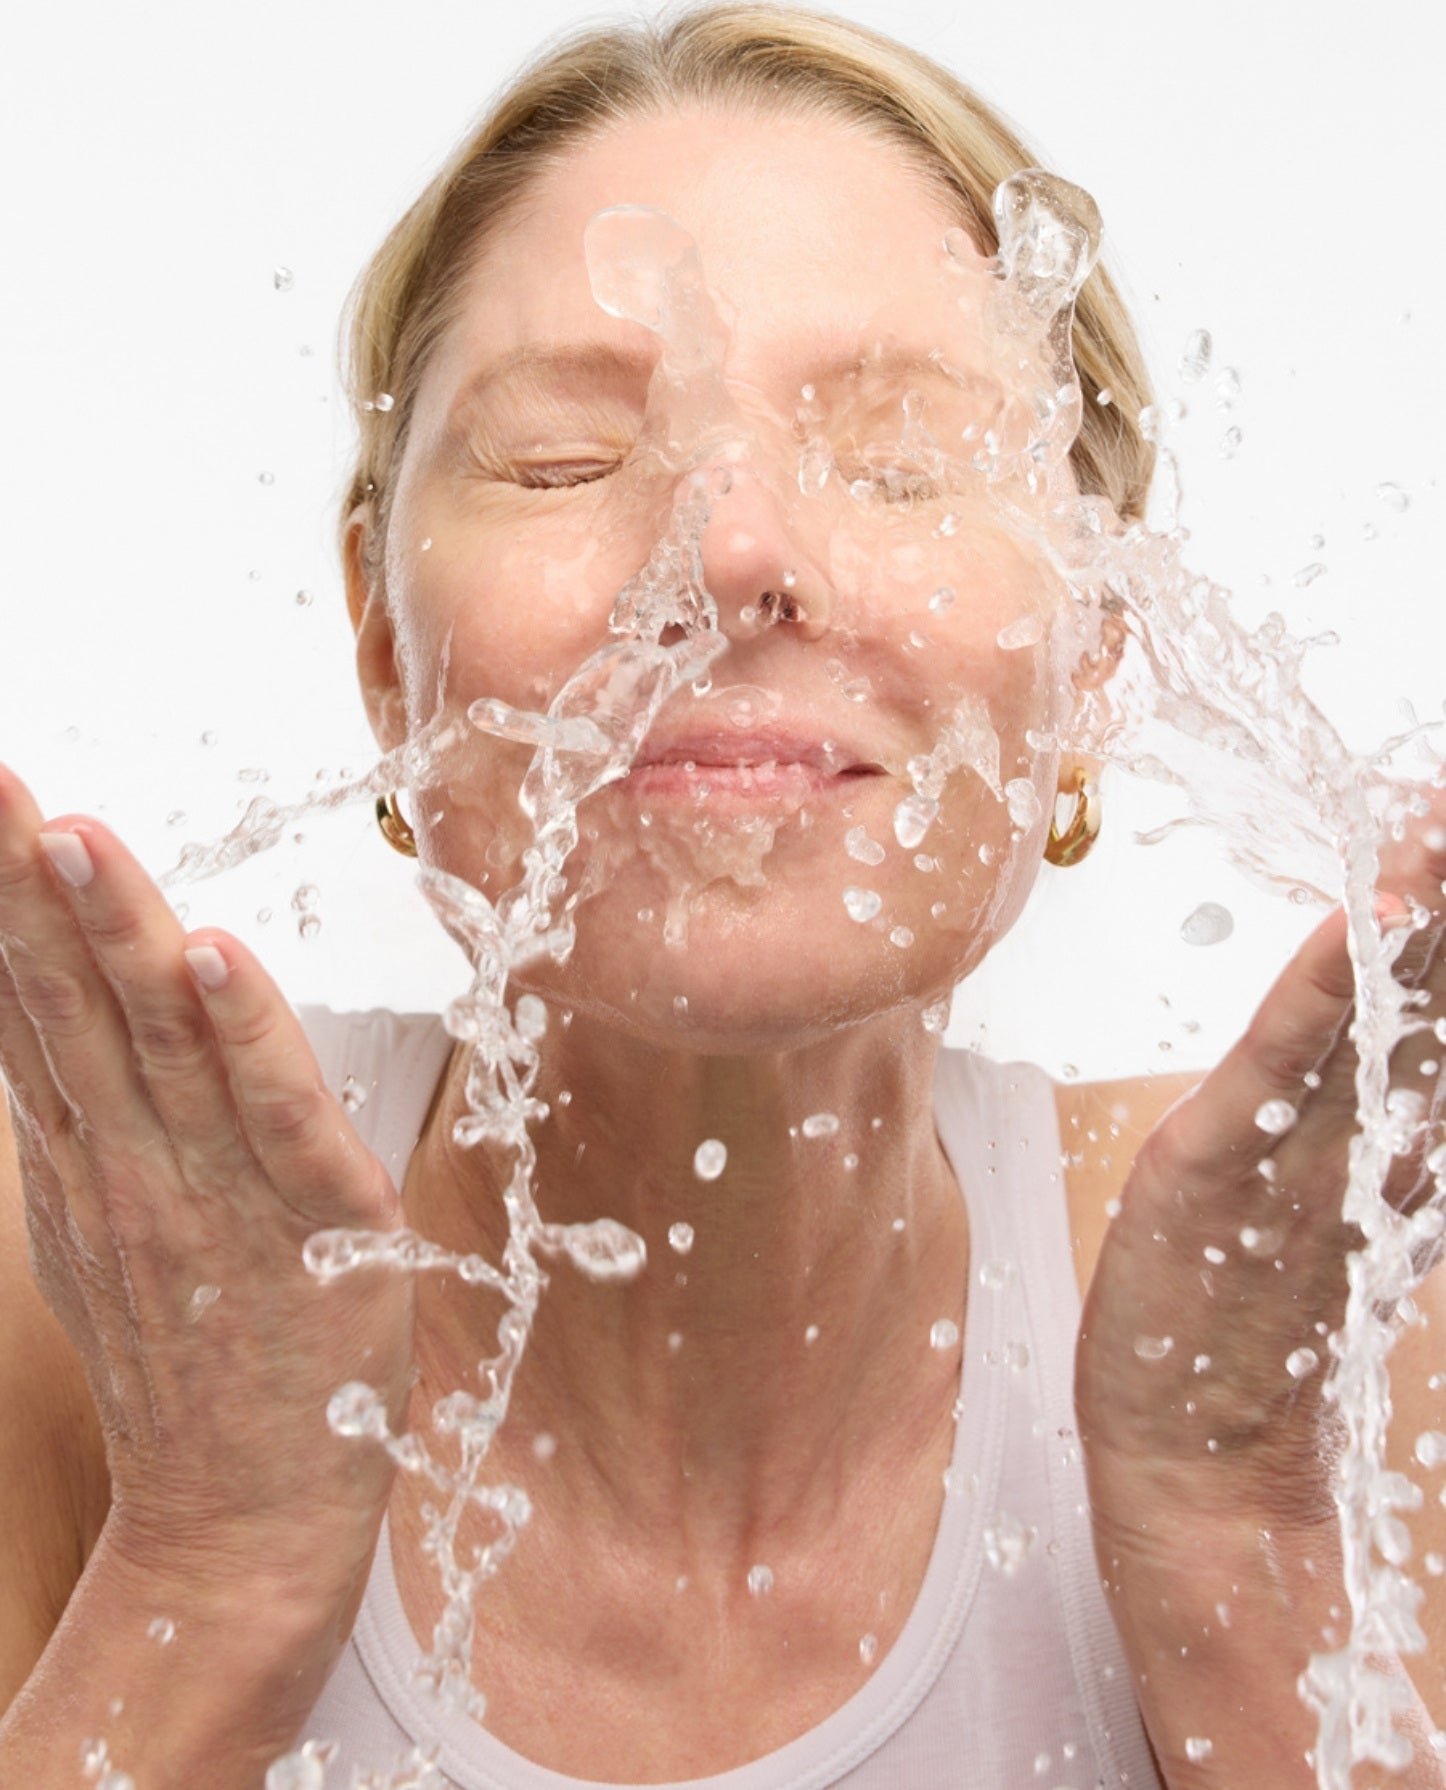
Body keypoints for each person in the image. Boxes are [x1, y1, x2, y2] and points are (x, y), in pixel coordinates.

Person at [2, 7, 1445, 1787]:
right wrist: (209, 1550)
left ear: (1091, 663)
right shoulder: (86, 1287)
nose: (732, 552)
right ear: (388, 660)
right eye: (562, 462)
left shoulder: (1332, 1318)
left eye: (904, 461)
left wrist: (1235, 1527)